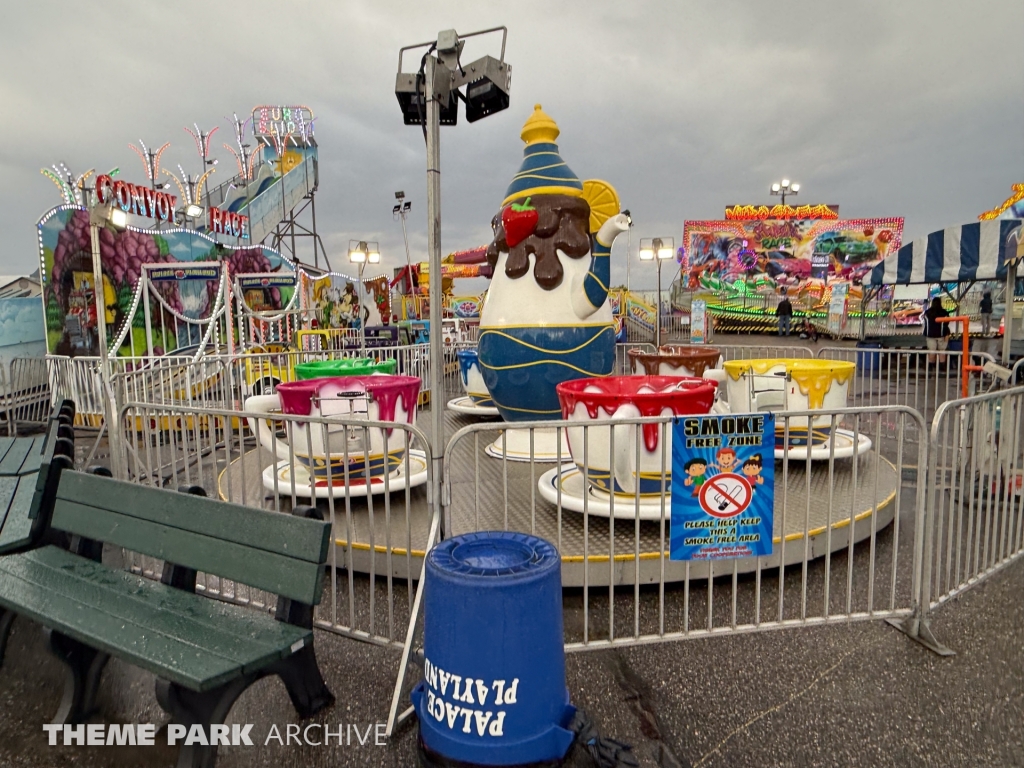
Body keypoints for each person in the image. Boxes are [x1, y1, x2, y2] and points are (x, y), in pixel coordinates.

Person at [923, 297, 951, 364]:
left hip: (930, 335)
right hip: (941, 335)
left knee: (932, 352)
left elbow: (925, 322)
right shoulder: (944, 312)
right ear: (940, 303)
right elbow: (947, 323)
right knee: (942, 351)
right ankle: (942, 366)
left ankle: (931, 367)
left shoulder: (927, 312)